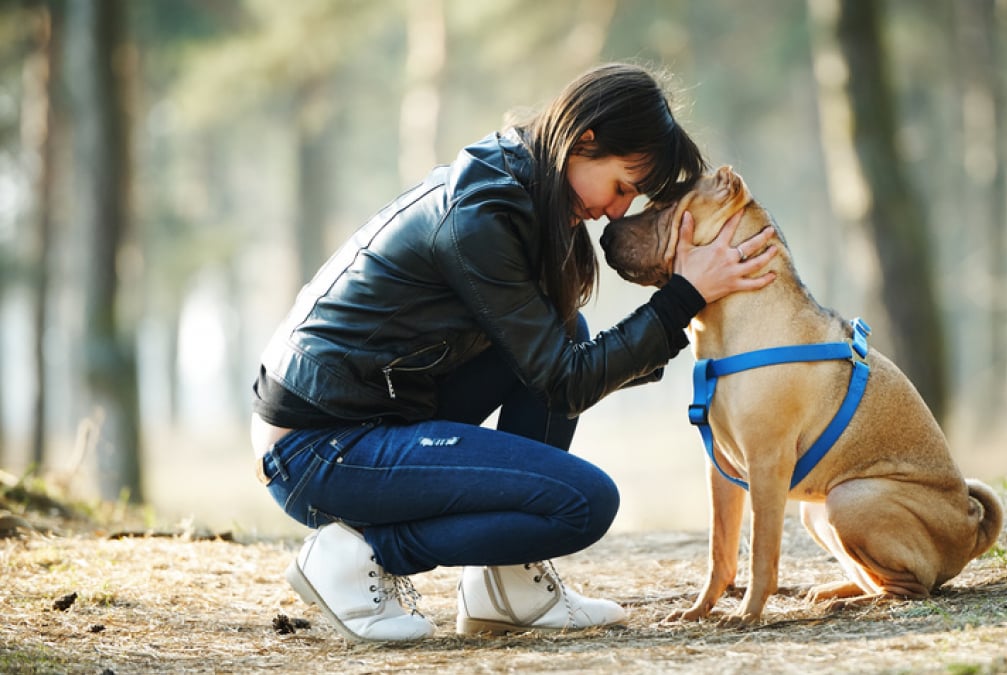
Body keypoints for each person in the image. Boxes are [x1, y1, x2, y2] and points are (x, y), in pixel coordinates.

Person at [250, 62, 777, 643]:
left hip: (377, 415)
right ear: (586, 140)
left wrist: (679, 298)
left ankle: (505, 587)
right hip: (319, 448)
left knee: (568, 329)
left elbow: (561, 362)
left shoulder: (527, 194)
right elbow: (566, 383)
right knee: (585, 502)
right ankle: (359, 553)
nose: (618, 210)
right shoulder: (485, 215)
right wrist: (683, 298)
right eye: (623, 186)